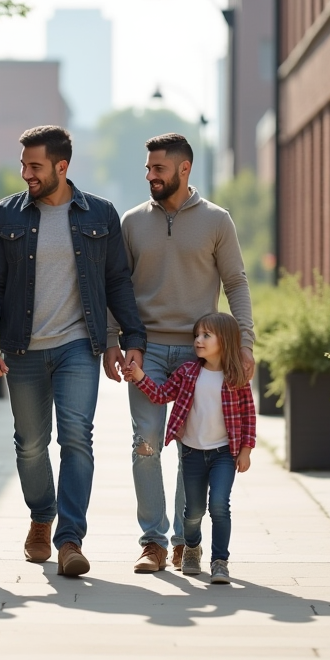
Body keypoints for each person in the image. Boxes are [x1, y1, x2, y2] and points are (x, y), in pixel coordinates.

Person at [0, 125, 146, 577]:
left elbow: (116, 283)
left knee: (76, 438)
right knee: (30, 445)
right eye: (24, 164)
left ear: (61, 167)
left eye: (35, 166)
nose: (26, 173)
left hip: (76, 346)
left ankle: (70, 539)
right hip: (22, 348)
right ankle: (41, 516)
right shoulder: (4, 216)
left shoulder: (100, 215)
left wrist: (132, 340)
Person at [104, 132, 256, 574]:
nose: (150, 175)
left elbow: (237, 283)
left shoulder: (216, 221)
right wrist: (114, 341)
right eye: (148, 168)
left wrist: (244, 344)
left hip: (201, 355)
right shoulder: (132, 222)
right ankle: (151, 541)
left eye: (159, 169)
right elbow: (119, 286)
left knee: (193, 449)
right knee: (146, 443)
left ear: (184, 169)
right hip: (145, 349)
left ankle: (182, 542)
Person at [122, 312, 255, 584]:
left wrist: (246, 450)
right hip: (193, 453)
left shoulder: (236, 377)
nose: (198, 340)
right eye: (196, 335)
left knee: (219, 505)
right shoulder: (187, 373)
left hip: (223, 455)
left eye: (206, 335)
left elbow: (249, 416)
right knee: (193, 512)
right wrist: (139, 376)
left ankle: (220, 561)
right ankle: (191, 547)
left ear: (226, 341)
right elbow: (161, 395)